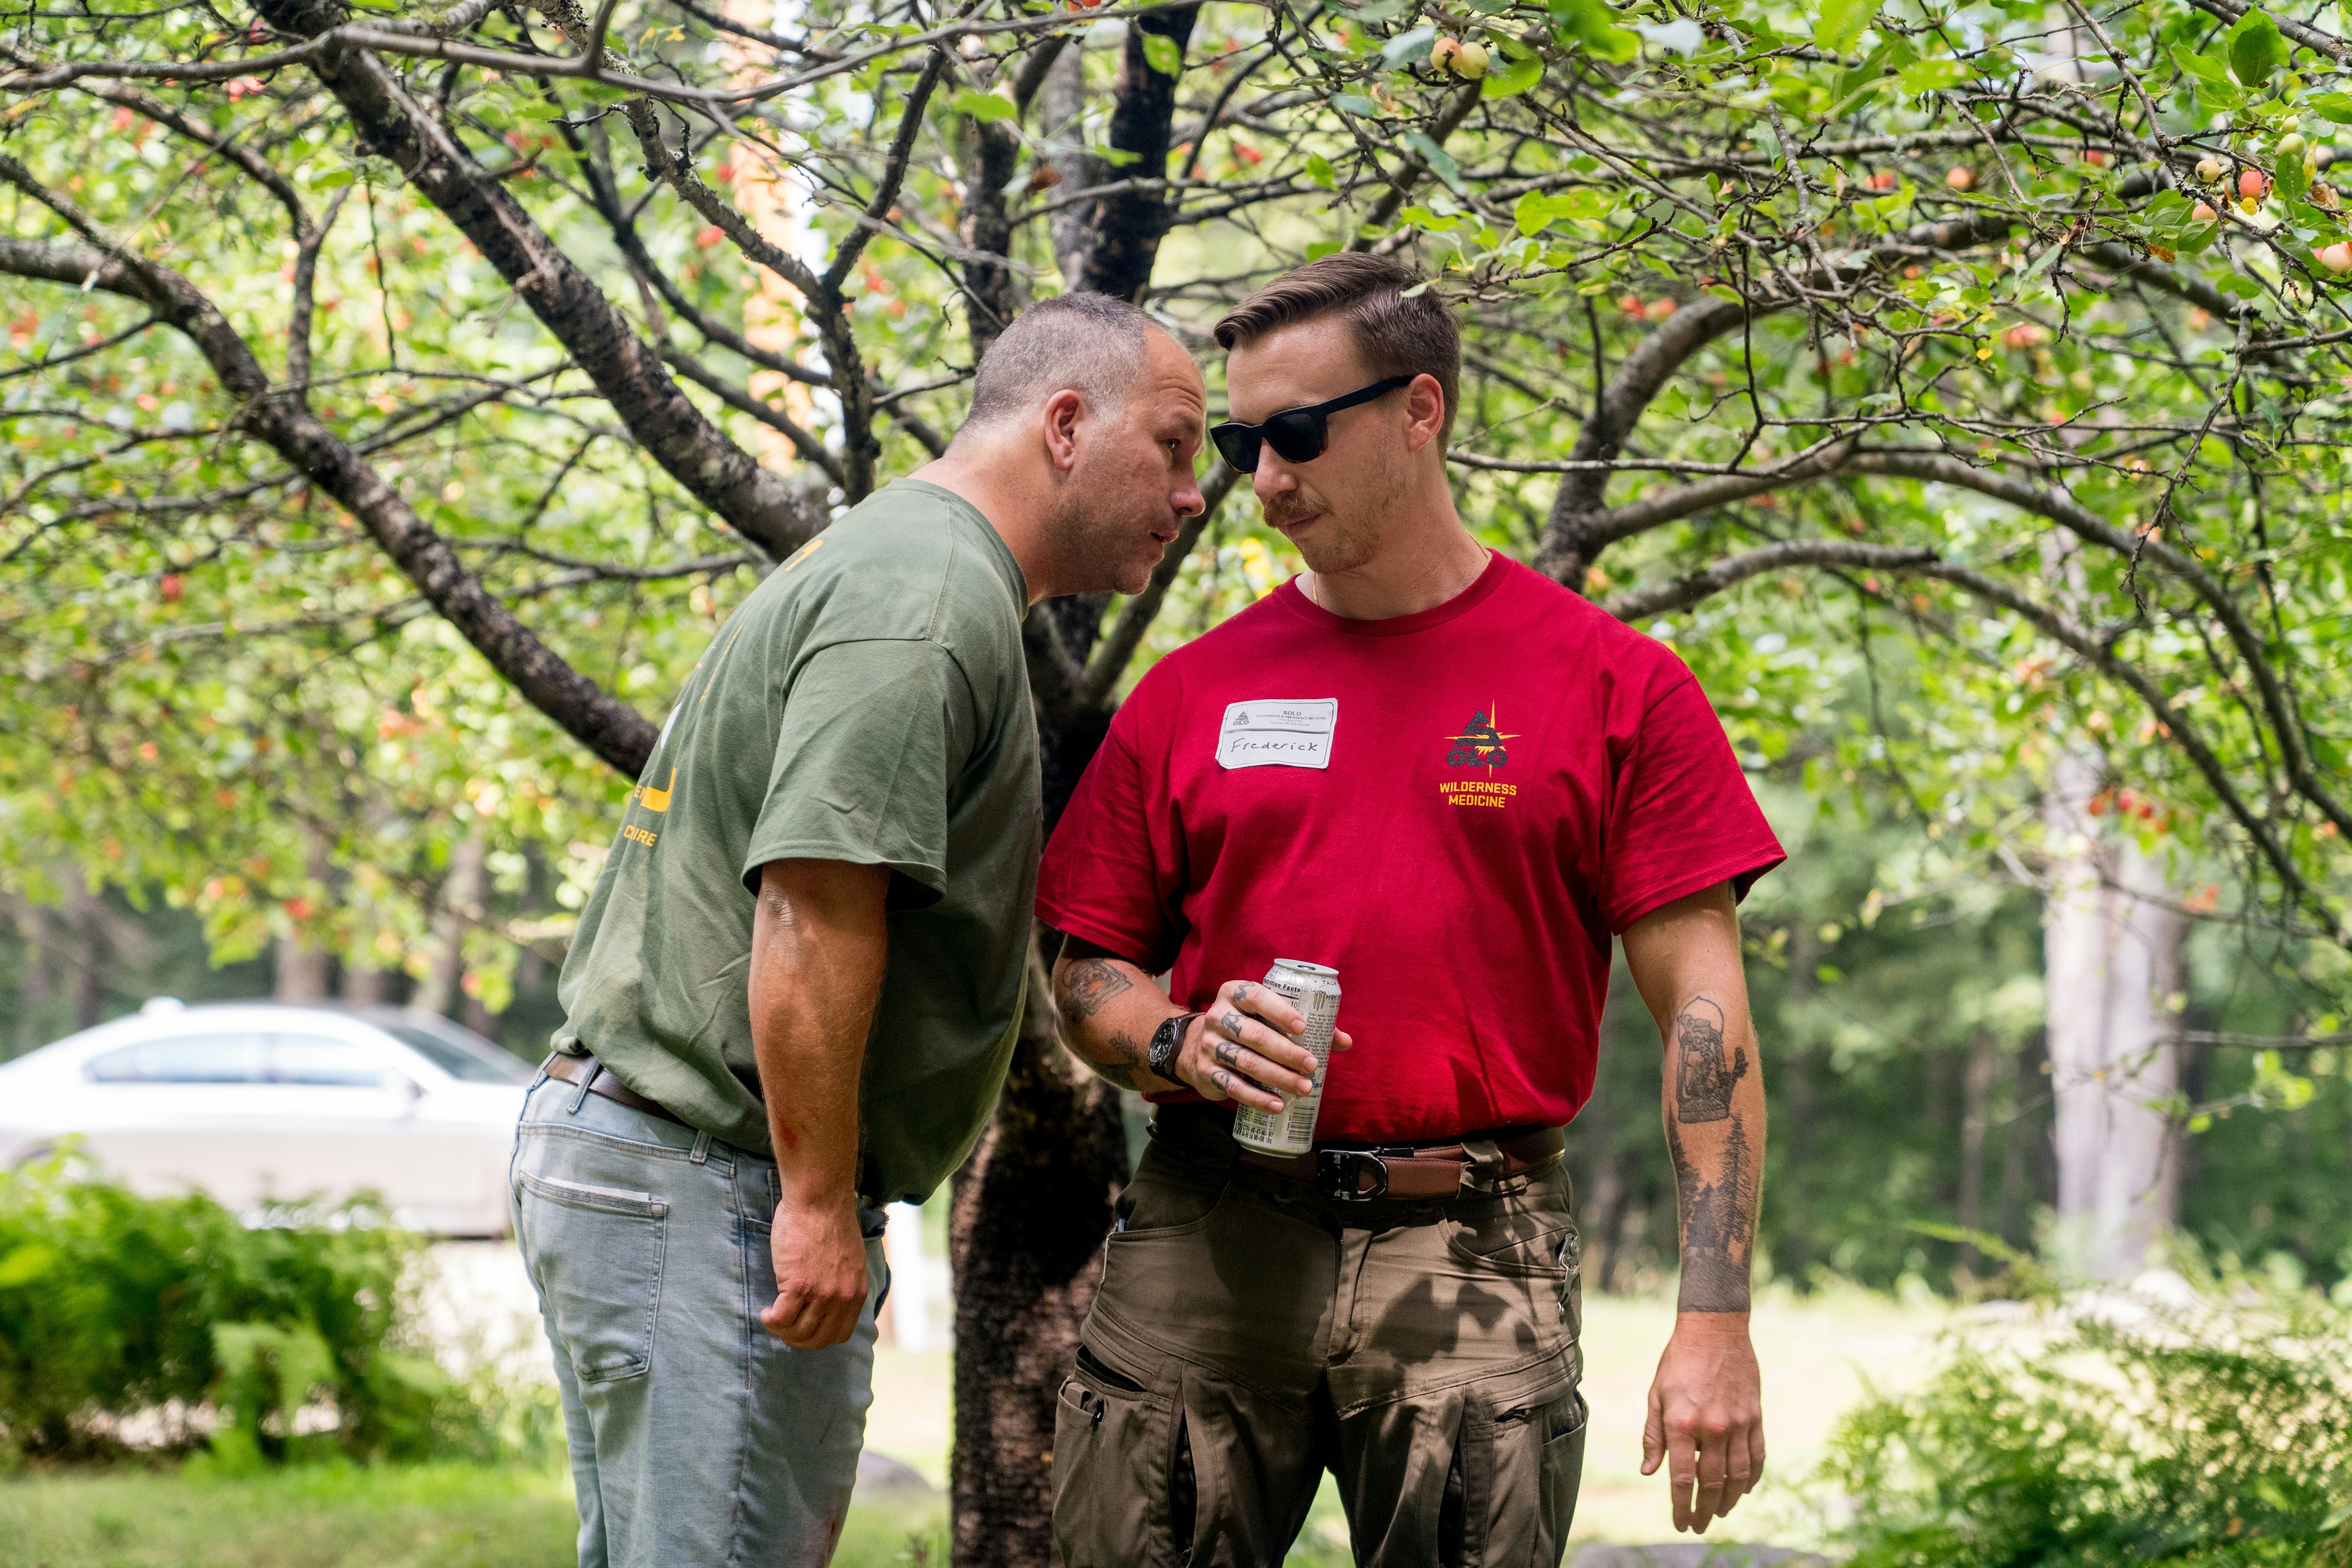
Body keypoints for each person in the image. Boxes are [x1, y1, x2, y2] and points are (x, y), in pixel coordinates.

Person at [1036, 254, 1786, 1567]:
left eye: (1297, 435)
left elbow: (1705, 1018)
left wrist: (1713, 1316)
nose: (1260, 478)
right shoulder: (1190, 694)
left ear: (1421, 410)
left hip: (1474, 1236)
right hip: (1213, 1222)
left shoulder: (1619, 688)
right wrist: (1175, 1041)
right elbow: (1087, 961)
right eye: (1239, 440)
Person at [513, 293, 1209, 1568]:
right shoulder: (925, 601)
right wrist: (818, 1200)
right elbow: (813, 910)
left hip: (681, 1167)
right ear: (1065, 424)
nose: (1195, 492)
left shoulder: (915, 564)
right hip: (710, 1177)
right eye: (1173, 445)